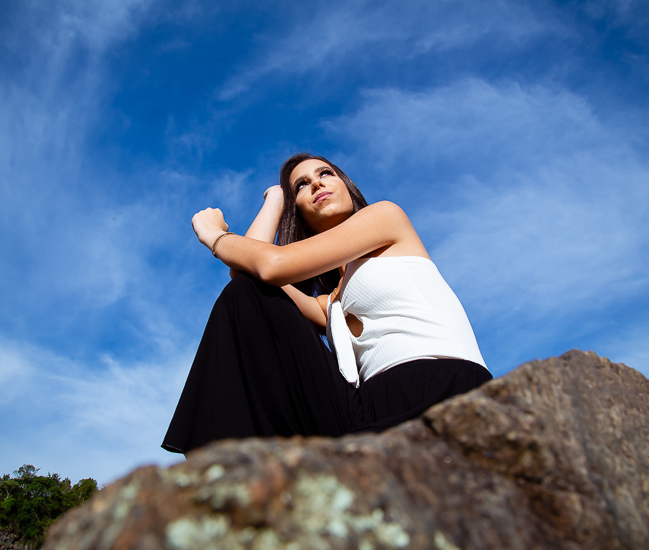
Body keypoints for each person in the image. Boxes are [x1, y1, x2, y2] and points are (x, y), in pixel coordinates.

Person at [162, 153, 491, 455]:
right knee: (246, 294)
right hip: (366, 409)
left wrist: (215, 236)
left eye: (325, 173)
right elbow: (247, 276)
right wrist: (277, 199)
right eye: (301, 185)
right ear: (299, 210)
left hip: (437, 382)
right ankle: (223, 467)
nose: (316, 182)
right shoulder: (329, 305)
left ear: (346, 186)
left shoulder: (387, 218)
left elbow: (271, 264)